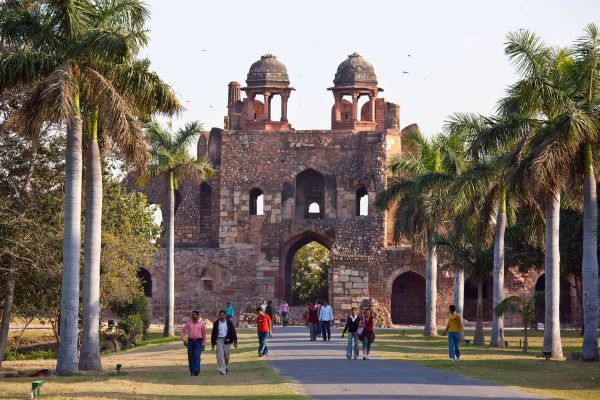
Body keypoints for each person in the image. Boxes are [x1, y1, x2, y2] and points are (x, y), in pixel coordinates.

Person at [211, 310, 238, 375]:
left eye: (223, 315)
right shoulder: (217, 323)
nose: (221, 316)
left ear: (225, 315)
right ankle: (222, 370)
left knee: (227, 356)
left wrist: (235, 341)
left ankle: (225, 367)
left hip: (227, 340)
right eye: (220, 315)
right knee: (220, 355)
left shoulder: (229, 322)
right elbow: (213, 333)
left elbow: (233, 332)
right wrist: (213, 343)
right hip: (219, 340)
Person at [180, 310, 206, 376]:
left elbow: (204, 335)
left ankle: (196, 370)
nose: (193, 316)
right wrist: (184, 340)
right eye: (192, 315)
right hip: (190, 341)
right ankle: (192, 370)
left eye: (194, 315)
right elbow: (182, 331)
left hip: (198, 341)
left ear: (198, 316)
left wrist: (203, 344)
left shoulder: (201, 324)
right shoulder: (189, 323)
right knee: (191, 357)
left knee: (197, 356)